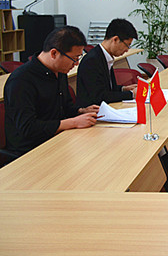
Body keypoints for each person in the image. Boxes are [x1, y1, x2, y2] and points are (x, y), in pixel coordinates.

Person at [4, 26, 99, 157]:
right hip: (31, 151)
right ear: (54, 53)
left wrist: (81, 111)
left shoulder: (59, 71)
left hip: (57, 139)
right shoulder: (21, 80)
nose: (76, 64)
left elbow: (64, 108)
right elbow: (28, 128)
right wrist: (73, 122)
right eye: (74, 58)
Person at [76, 18, 138, 107]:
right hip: (93, 111)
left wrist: (123, 89)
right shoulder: (92, 61)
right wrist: (131, 94)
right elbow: (99, 96)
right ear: (115, 39)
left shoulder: (104, 56)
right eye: (127, 45)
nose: (127, 50)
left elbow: (107, 87)